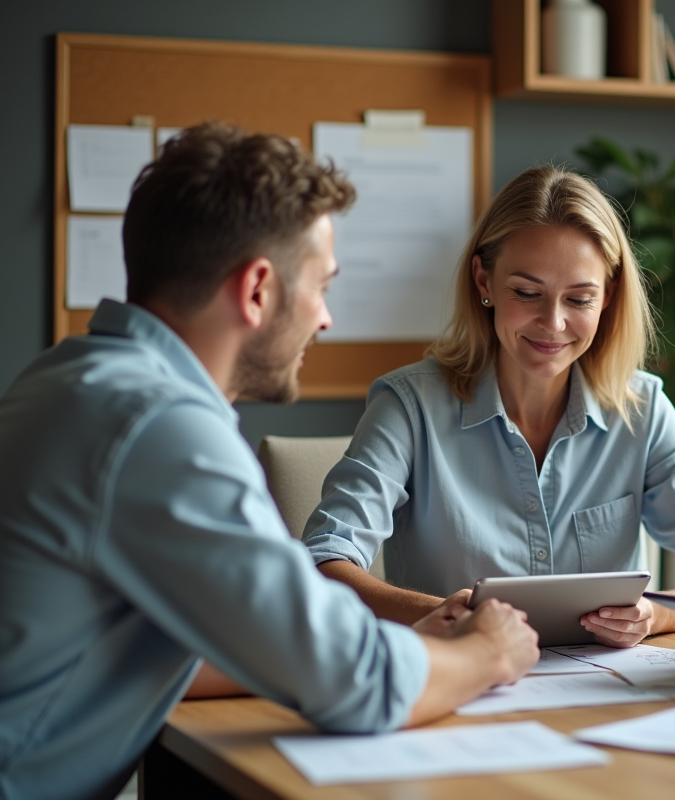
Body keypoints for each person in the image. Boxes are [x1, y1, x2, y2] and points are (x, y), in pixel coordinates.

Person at [0, 123, 538, 800]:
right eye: (321, 285)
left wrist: (404, 644)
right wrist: (488, 653)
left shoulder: (69, 379)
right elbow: (357, 686)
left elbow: (172, 653)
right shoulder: (159, 427)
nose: (325, 319)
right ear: (257, 289)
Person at [302, 165, 675, 647]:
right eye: (527, 293)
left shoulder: (642, 406)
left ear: (607, 296)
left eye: (580, 299)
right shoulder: (409, 406)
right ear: (483, 280)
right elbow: (322, 562)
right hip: (459, 686)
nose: (554, 323)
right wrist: (438, 615)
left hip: (603, 696)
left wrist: (655, 614)